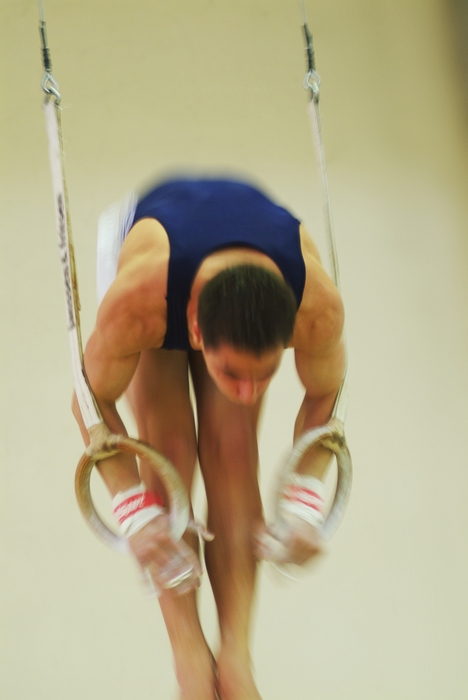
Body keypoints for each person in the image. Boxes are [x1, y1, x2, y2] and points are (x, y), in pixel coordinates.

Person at [73, 176, 345, 700]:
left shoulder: (317, 309)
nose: (249, 391)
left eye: (264, 374)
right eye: (234, 374)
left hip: (254, 261)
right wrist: (134, 511)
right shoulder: (137, 303)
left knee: (235, 445)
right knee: (167, 449)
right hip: (159, 257)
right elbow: (90, 403)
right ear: (195, 332)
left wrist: (304, 504)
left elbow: (326, 398)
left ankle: (238, 658)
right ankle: (190, 661)